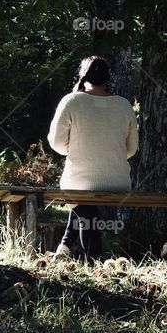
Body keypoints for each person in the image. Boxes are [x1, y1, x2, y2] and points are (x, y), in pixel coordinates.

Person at [47, 56, 138, 259]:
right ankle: (65, 246)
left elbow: (56, 144)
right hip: (119, 182)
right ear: (108, 78)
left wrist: (78, 149)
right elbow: (131, 150)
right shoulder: (124, 105)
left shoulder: (71, 101)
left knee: (82, 200)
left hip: (78, 181)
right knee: (84, 204)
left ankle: (92, 259)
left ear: (83, 75)